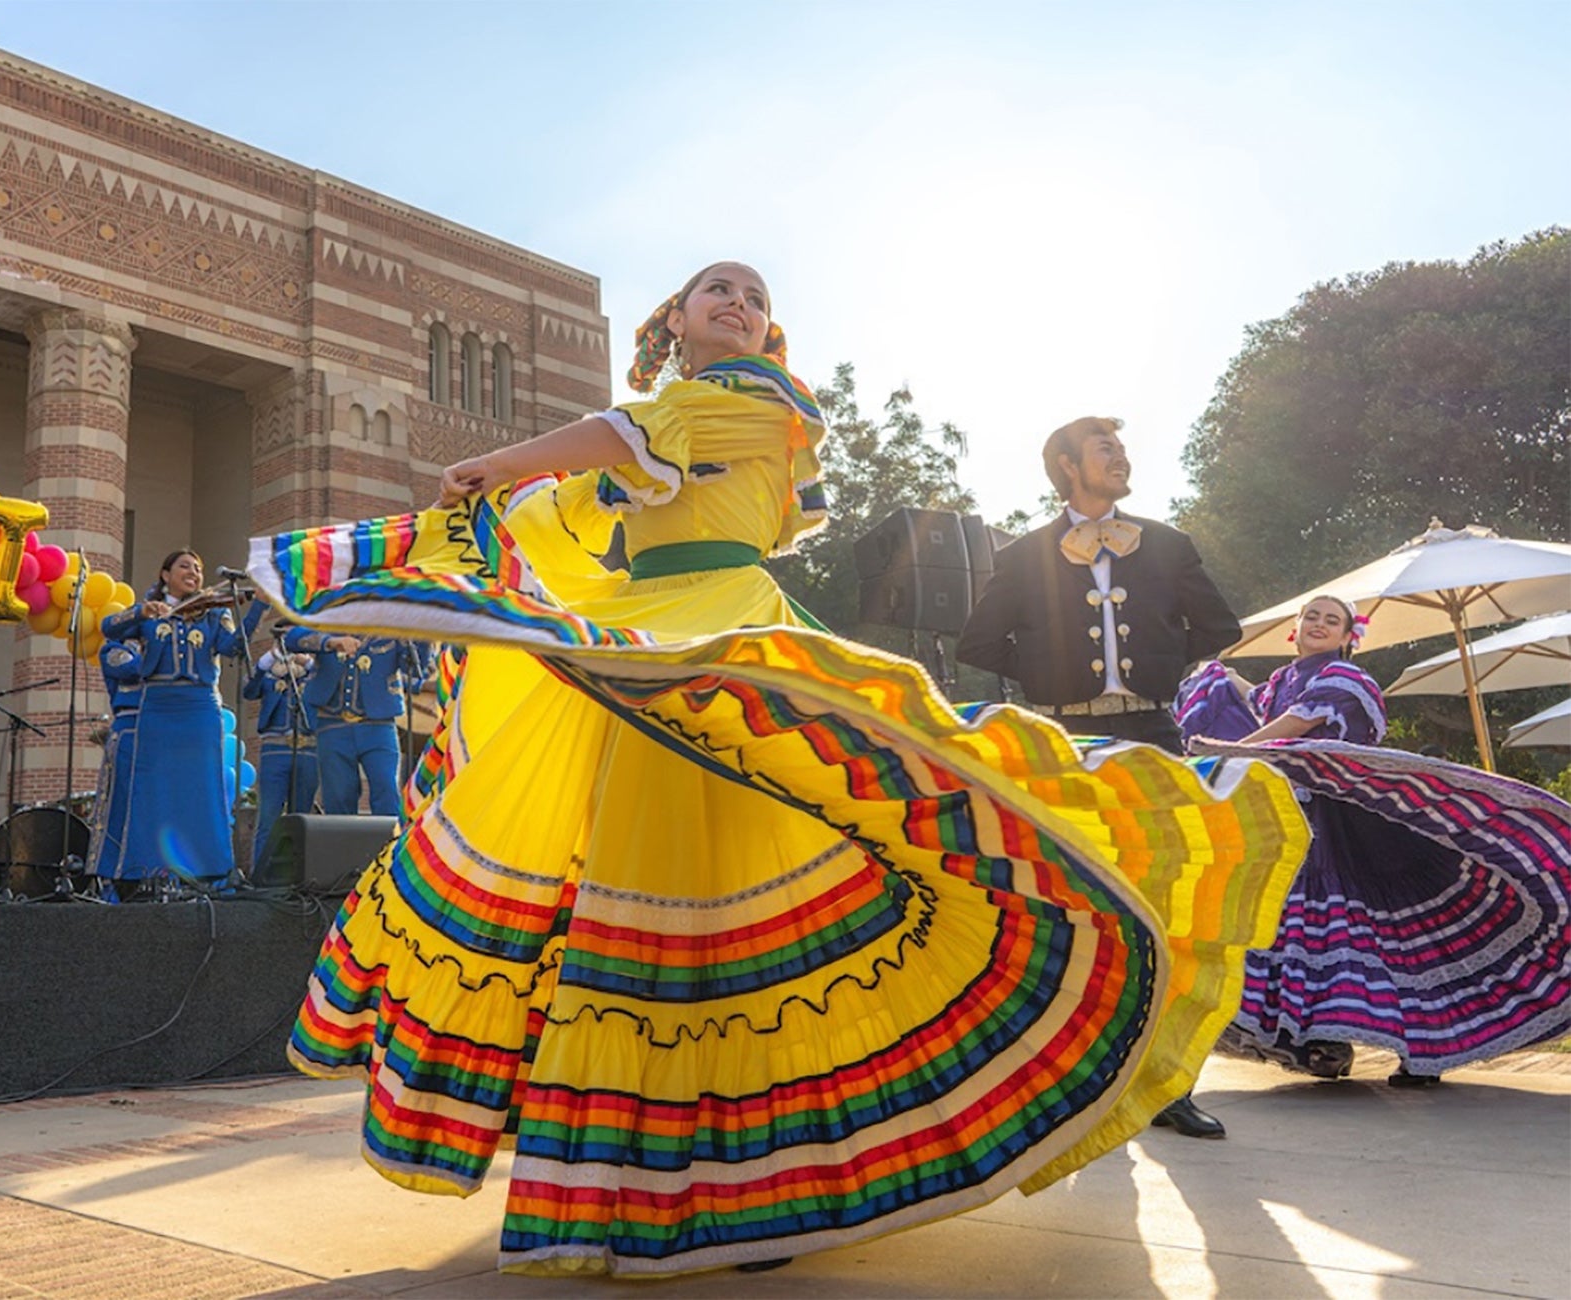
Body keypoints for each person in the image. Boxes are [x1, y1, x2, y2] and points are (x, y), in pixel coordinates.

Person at [249, 262, 1306, 1277]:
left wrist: (507, 461)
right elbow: (569, 519)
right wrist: (493, 524)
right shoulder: (661, 428)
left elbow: (622, 438)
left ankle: (752, 1186)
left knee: (742, 891)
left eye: (757, 297)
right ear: (673, 320)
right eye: (722, 288)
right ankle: (647, 1182)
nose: (742, 304)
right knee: (652, 896)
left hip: (726, 636)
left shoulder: (757, 399)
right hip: (647, 639)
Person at [956, 416, 1241, 1140]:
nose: (1120, 457)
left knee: (1165, 901)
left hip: (1151, 730)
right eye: (1104, 449)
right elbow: (980, 642)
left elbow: (1220, 629)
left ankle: (1167, 1085)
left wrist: (1157, 665)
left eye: (1121, 448)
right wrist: (1050, 677)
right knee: (1063, 900)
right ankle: (1065, 1079)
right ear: (1065, 466)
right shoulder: (1024, 555)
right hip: (1061, 739)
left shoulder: (1168, 543)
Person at [1177, 595, 1571, 1085]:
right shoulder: (1283, 681)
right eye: (1311, 617)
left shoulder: (1347, 679)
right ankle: (1318, 1040)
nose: (1319, 625)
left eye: (1332, 620)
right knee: (1310, 934)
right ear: (1293, 629)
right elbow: (1255, 703)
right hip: (1300, 827)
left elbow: (1294, 726)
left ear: (1348, 637)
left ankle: (1423, 1053)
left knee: (1395, 939)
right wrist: (1212, 670)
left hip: (1355, 829)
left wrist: (1235, 749)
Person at [96, 549, 248, 894]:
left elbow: (233, 647)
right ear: (165, 574)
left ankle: (209, 873)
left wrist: (259, 611)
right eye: (184, 566)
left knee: (202, 791)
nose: (193, 572)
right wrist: (141, 611)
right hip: (158, 707)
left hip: (200, 708)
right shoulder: (149, 613)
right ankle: (145, 872)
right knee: (153, 793)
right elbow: (109, 629)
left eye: (198, 568)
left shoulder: (214, 612)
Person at [281, 630, 426, 816]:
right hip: (332, 724)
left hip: (378, 724)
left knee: (386, 789)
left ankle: (388, 843)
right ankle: (342, 844)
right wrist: (331, 641)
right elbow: (291, 638)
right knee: (338, 797)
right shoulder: (328, 615)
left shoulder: (392, 625)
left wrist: (424, 636)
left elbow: (415, 669)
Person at [241, 627, 318, 868]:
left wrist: (307, 664)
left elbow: (328, 686)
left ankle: (296, 877)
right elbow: (249, 691)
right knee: (269, 818)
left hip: (308, 750)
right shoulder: (269, 675)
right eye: (284, 640)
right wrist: (266, 662)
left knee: (301, 818)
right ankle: (260, 875)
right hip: (275, 750)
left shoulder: (314, 673)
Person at [87, 635, 143, 896]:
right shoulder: (113, 650)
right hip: (127, 733)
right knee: (117, 805)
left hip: (156, 732)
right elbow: (133, 668)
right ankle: (107, 878)